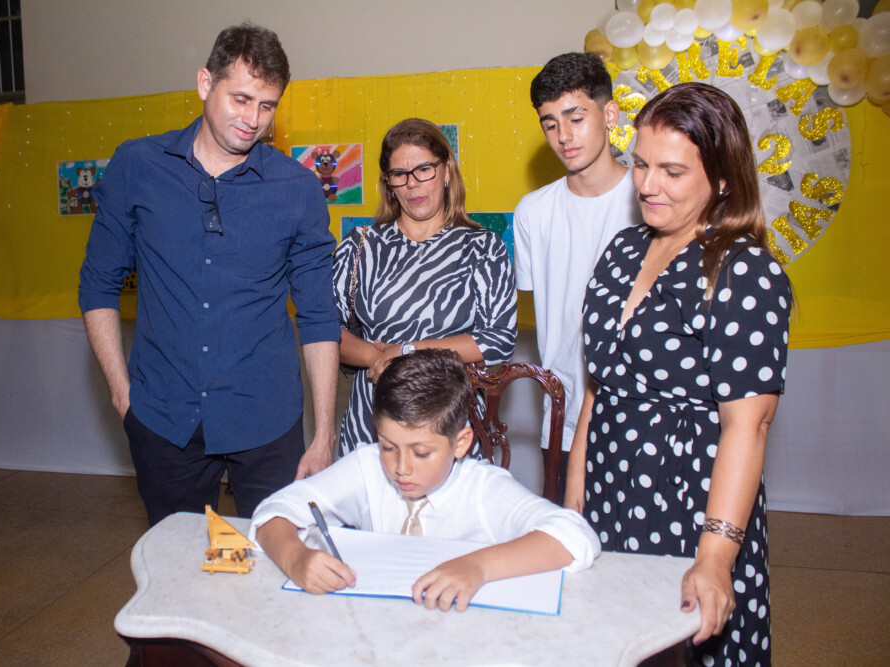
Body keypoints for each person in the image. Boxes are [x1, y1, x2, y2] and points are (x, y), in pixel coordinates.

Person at [78, 23, 340, 526]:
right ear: (205, 83)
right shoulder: (137, 166)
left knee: (278, 561)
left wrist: (324, 433)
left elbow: (319, 316)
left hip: (267, 419)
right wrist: (121, 392)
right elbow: (97, 285)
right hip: (163, 418)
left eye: (267, 106)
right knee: (178, 563)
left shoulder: (298, 189)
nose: (253, 120)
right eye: (241, 99)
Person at [566, 82, 792, 665]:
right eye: (641, 164)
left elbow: (749, 425)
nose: (647, 185)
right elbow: (597, 390)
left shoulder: (742, 269)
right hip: (610, 484)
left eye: (672, 171)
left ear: (722, 178)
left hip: (689, 501)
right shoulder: (622, 250)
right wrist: (572, 506)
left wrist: (715, 557)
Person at [250, 349, 600, 610]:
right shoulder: (367, 467)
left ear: (460, 443)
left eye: (420, 453)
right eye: (388, 447)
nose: (401, 467)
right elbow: (274, 510)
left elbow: (574, 534)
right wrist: (296, 558)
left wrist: (477, 566)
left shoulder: (481, 487)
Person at [332, 118, 516, 455]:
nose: (412, 184)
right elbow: (328, 332)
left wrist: (408, 351)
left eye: (424, 170)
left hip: (451, 425)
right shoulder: (360, 245)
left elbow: (499, 340)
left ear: (446, 171)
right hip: (370, 425)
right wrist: (380, 357)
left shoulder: (483, 248)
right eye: (399, 174)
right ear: (388, 183)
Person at [513, 52, 640, 494]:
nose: (563, 136)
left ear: (610, 114)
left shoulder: (649, 202)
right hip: (563, 417)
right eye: (550, 124)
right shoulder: (533, 211)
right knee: (566, 531)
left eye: (576, 118)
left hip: (642, 411)